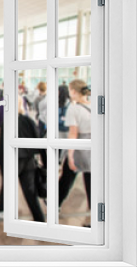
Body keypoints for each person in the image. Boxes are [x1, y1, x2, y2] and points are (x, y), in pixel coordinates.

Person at [58, 79, 91, 225]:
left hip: (80, 147)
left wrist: (70, 155)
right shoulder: (95, 104)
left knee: (67, 178)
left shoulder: (73, 108)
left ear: (73, 91)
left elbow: (73, 133)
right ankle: (93, 214)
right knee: (91, 181)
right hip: (94, 147)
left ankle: (55, 203)